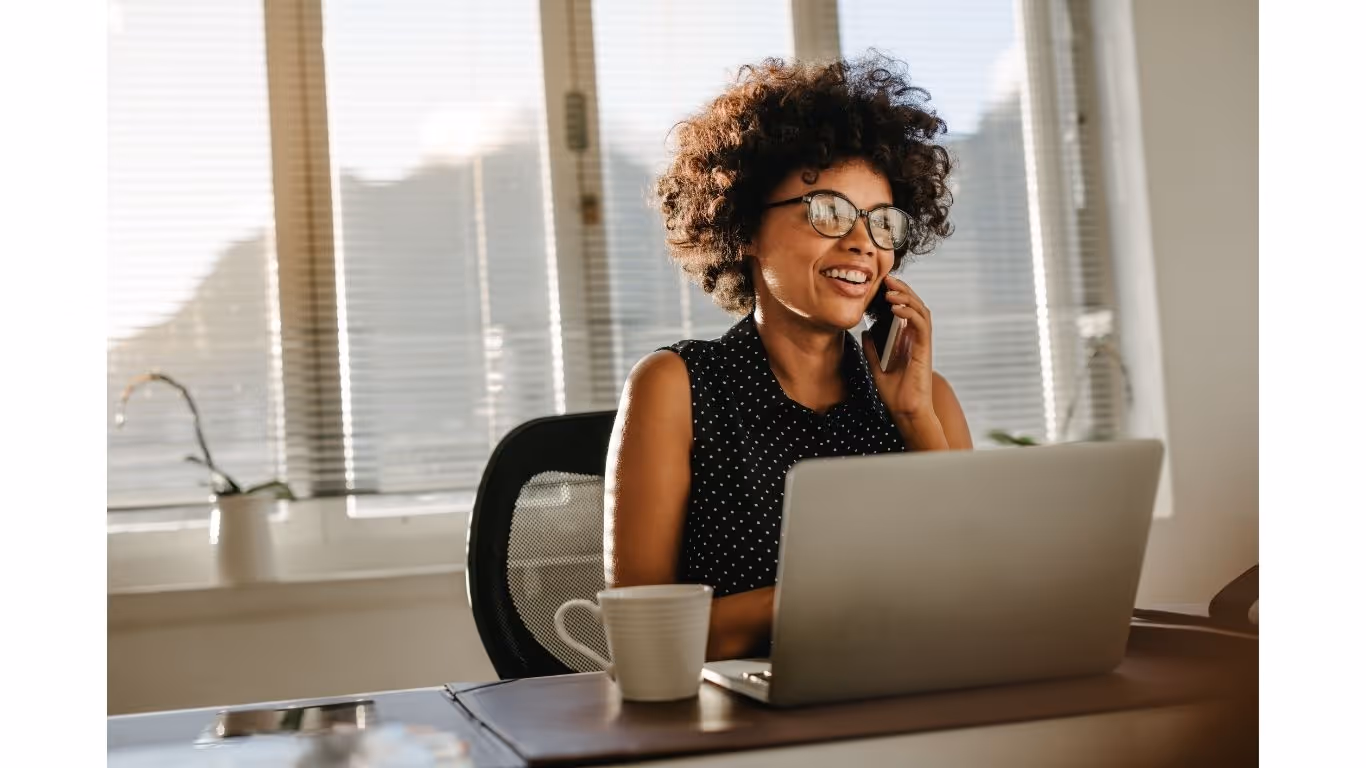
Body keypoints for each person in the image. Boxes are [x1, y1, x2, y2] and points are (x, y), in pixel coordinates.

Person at [604, 53, 973, 661]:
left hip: (902, 691)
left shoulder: (927, 401)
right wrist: (834, 594)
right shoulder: (676, 387)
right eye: (828, 212)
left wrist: (915, 420)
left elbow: (978, 594)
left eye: (882, 222)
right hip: (739, 709)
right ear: (746, 227)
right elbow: (643, 635)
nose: (863, 242)